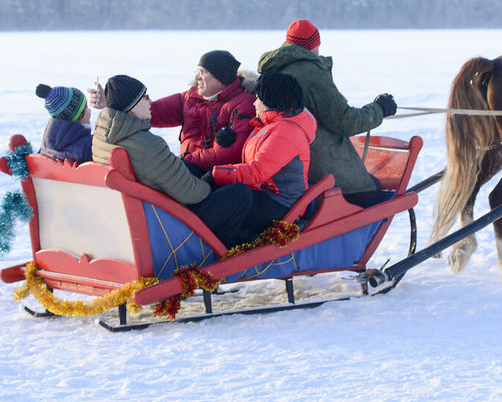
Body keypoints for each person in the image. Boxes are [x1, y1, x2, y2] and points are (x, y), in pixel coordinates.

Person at [91, 74, 250, 247]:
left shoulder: (101, 136)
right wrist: (210, 181)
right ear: (132, 107)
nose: (151, 102)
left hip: (139, 213)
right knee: (239, 193)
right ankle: (218, 251)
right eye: (146, 98)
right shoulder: (148, 145)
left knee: (189, 167)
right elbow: (191, 193)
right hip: (167, 222)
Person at [257, 19, 397, 207]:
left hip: (289, 163)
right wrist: (379, 109)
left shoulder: (273, 68)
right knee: (371, 192)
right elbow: (344, 121)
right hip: (322, 164)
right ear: (314, 45)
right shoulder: (311, 72)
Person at [88, 50, 256, 174]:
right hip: (185, 170)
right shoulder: (190, 98)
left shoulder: (243, 104)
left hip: (215, 175)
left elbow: (230, 153)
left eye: (203, 72)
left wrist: (183, 161)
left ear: (221, 77)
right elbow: (149, 111)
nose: (197, 77)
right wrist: (109, 103)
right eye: (197, 71)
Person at [209, 72, 317, 241]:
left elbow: (256, 172)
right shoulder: (269, 124)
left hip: (280, 204)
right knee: (222, 195)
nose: (254, 102)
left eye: (258, 98)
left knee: (232, 199)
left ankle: (220, 250)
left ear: (270, 101)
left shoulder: (287, 131)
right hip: (264, 193)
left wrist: (215, 175)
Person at [35, 83, 93, 163]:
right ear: (79, 115)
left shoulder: (46, 146)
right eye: (86, 107)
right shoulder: (88, 146)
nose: (89, 110)